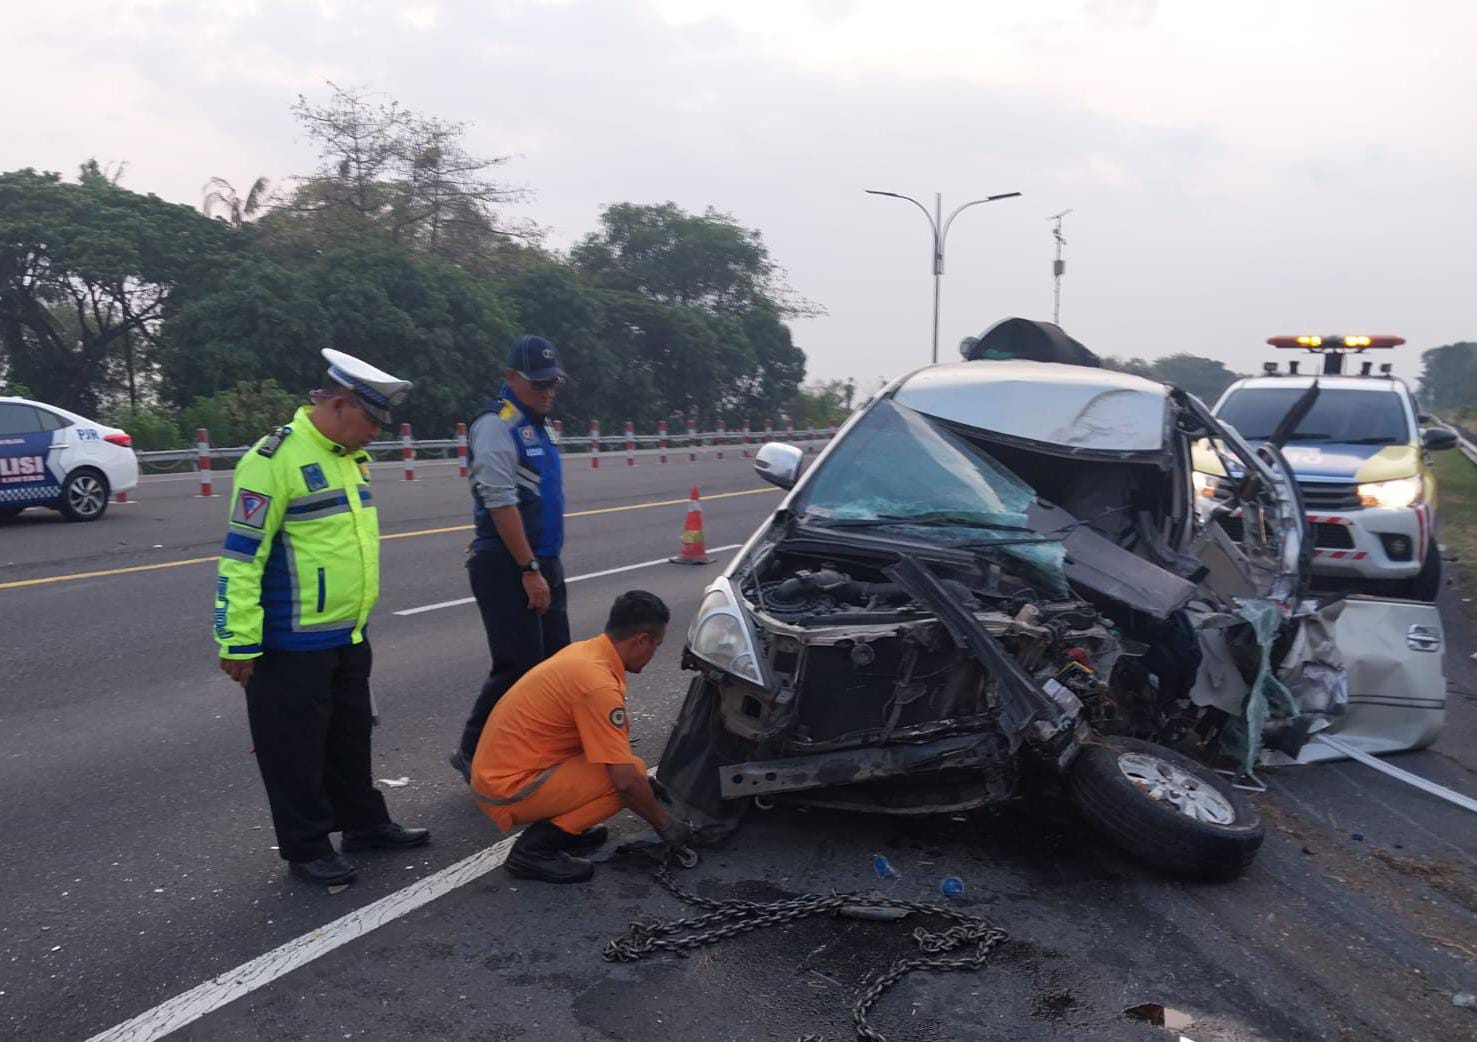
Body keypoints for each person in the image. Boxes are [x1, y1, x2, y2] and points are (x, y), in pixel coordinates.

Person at [215, 348, 429, 886]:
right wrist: (237, 639)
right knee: (294, 751)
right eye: (371, 421)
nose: (377, 433)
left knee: (350, 739)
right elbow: (242, 557)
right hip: (290, 641)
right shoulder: (272, 460)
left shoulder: (346, 455)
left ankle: (363, 824)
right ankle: (306, 846)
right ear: (338, 404)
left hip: (346, 634)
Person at [469, 591, 691, 884]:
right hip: (508, 789)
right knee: (627, 778)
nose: (654, 654)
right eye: (656, 645)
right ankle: (535, 850)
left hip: (501, 772)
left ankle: (567, 830)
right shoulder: (597, 685)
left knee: (628, 771)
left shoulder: (586, 653)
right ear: (641, 640)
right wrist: (665, 825)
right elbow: (624, 781)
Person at [449, 335, 571, 781]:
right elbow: (500, 502)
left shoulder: (537, 423)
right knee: (518, 666)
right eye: (538, 384)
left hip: (541, 560)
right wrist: (527, 569)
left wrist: (542, 565)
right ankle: (473, 748)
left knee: (555, 664)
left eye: (552, 382)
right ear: (511, 378)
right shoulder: (496, 425)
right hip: (511, 566)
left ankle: (541, 747)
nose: (547, 391)